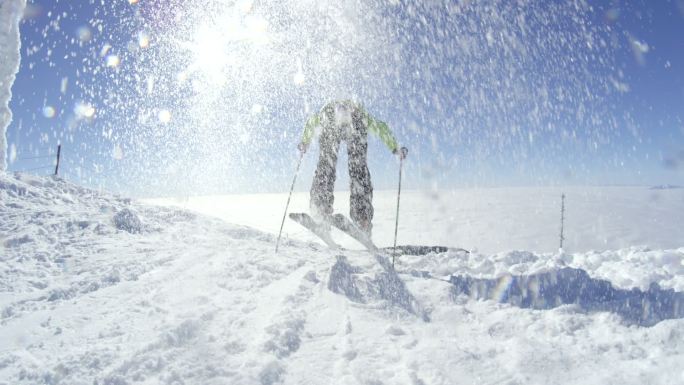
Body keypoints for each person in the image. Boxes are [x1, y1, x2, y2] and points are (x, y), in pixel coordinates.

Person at [297, 99, 407, 237]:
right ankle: (320, 210)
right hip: (330, 127)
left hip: (355, 128)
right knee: (326, 165)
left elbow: (381, 128)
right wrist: (304, 142)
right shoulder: (327, 115)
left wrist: (395, 148)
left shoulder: (360, 117)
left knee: (358, 168)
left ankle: (362, 219)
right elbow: (311, 123)